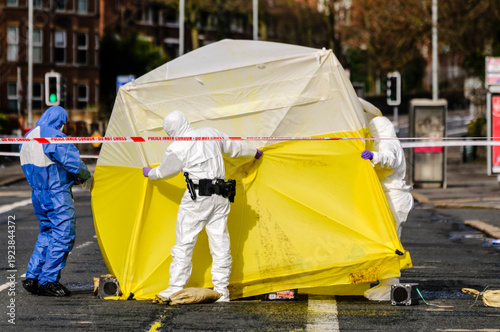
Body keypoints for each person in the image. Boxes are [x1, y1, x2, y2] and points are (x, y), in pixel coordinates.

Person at [143, 110, 262, 303]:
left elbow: (166, 171)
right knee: (220, 241)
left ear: (172, 129)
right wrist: (254, 152)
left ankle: (175, 286)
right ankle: (222, 290)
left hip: (197, 197)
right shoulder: (211, 133)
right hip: (221, 194)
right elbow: (235, 147)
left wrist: (151, 173)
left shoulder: (178, 147)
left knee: (184, 242)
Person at [19, 106, 91, 297]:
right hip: (56, 193)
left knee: (47, 233)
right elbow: (71, 161)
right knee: (64, 233)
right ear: (60, 121)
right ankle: (48, 280)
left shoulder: (27, 138)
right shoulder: (54, 136)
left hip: (38, 194)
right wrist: (84, 175)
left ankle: (33, 276)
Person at [360, 114, 414, 301]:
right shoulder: (390, 141)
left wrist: (374, 156)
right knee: (387, 239)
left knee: (390, 241)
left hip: (394, 196)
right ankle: (385, 282)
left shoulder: (388, 143)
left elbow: (388, 159)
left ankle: (389, 285)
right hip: (392, 196)